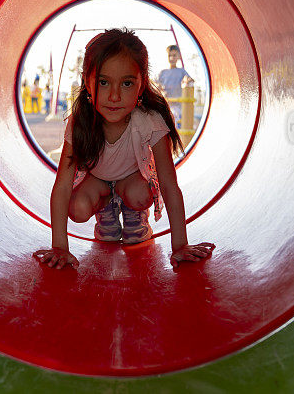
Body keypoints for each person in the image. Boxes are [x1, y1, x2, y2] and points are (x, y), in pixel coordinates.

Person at [34, 29, 214, 269]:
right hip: (97, 181)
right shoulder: (80, 122)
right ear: (87, 82)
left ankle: (133, 211)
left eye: (127, 83)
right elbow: (63, 185)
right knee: (76, 209)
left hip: (132, 180)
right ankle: (107, 205)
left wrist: (179, 245)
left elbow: (169, 183)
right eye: (103, 82)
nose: (115, 95)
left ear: (141, 86)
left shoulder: (149, 121)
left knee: (141, 195)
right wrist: (60, 247)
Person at [157, 45, 193, 126]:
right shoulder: (163, 73)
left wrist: (187, 80)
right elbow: (155, 84)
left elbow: (189, 79)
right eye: (169, 56)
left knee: (174, 120)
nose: (171, 58)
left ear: (179, 57)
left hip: (177, 106)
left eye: (174, 56)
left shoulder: (181, 71)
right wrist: (160, 88)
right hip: (166, 105)